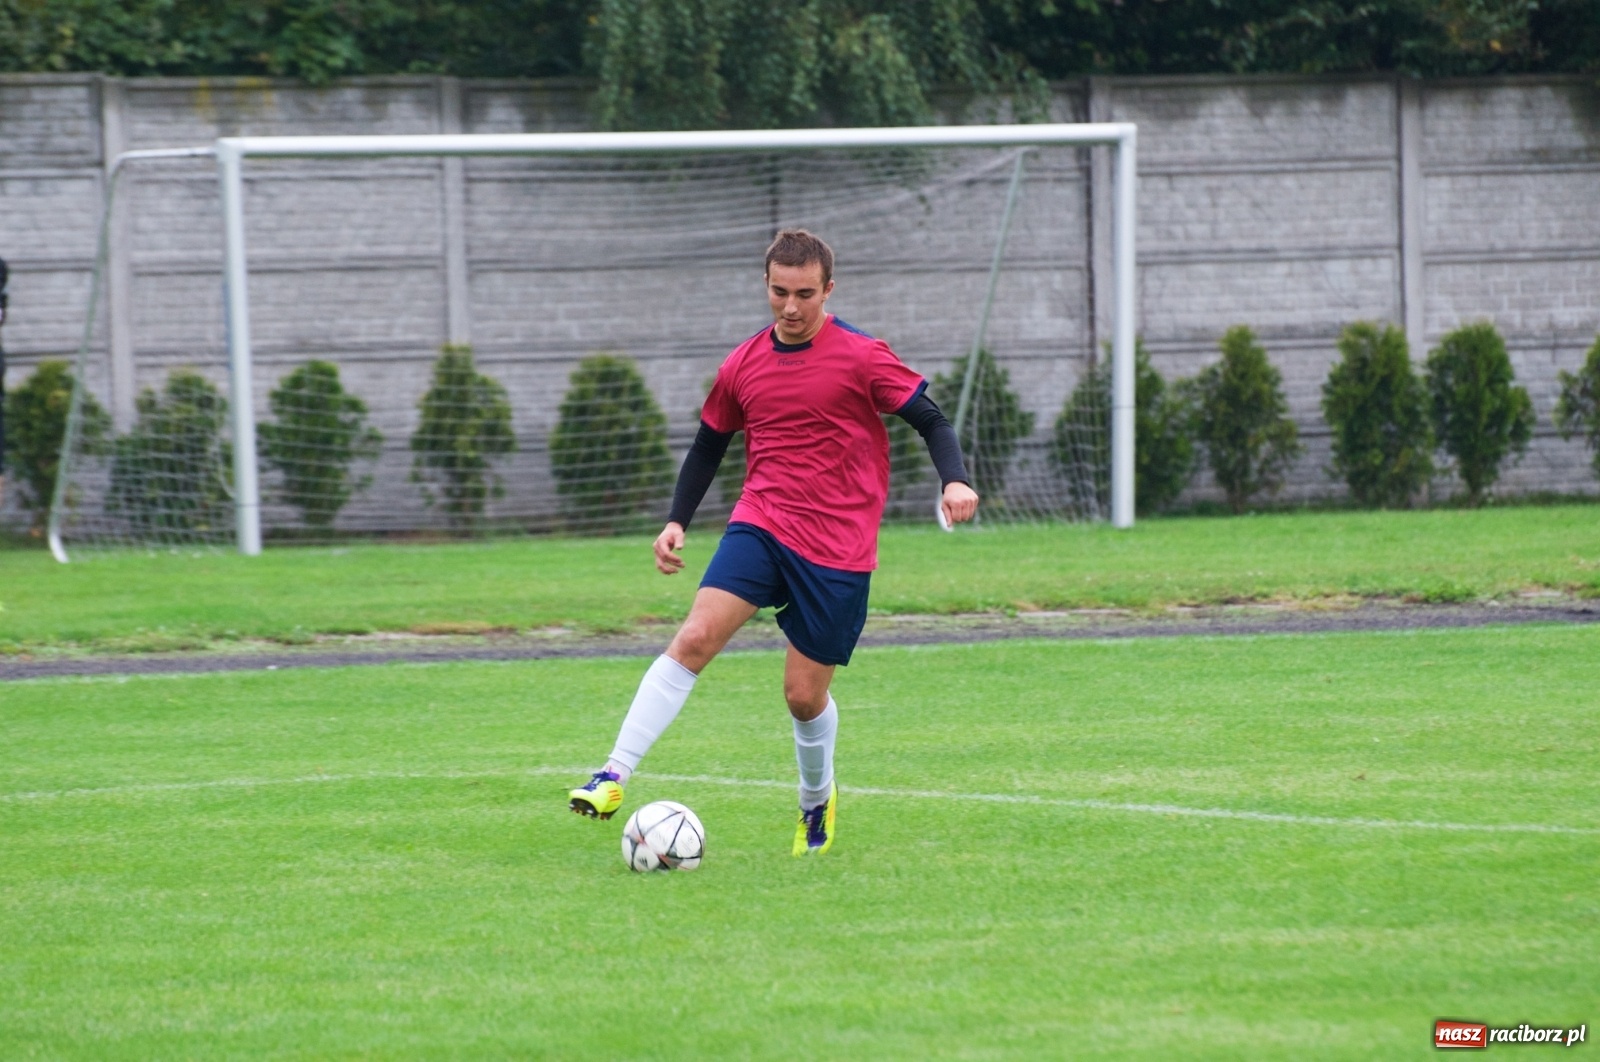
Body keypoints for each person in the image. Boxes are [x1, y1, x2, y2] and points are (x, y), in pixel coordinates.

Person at [568, 229, 979, 855]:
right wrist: (677, 518)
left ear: (828, 290)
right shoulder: (743, 362)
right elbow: (710, 443)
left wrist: (954, 479)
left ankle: (816, 802)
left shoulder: (863, 356)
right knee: (696, 636)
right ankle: (613, 772)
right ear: (766, 285)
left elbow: (932, 419)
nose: (790, 307)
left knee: (803, 696)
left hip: (838, 547)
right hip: (762, 521)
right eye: (780, 292)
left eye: (805, 294)